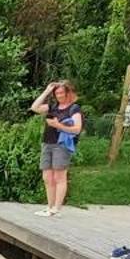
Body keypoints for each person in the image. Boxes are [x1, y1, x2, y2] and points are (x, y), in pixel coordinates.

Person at [30, 81, 83, 217]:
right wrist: (47, 90)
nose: (59, 95)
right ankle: (49, 207)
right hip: (47, 143)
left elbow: (77, 129)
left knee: (59, 176)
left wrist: (58, 125)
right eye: (56, 93)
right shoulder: (52, 106)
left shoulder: (74, 108)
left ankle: (56, 209)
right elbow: (34, 107)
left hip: (62, 145)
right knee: (47, 176)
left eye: (61, 92)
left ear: (67, 93)